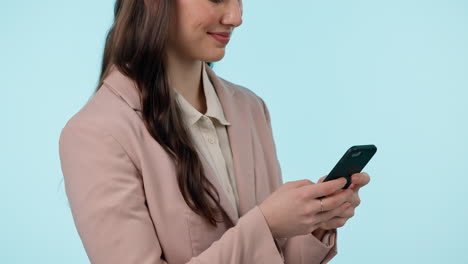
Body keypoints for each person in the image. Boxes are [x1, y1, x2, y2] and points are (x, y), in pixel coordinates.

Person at [58, 0, 371, 263]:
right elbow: (263, 235)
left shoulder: (250, 108)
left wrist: (315, 221)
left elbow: (275, 256)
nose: (236, 16)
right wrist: (267, 224)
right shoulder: (95, 134)